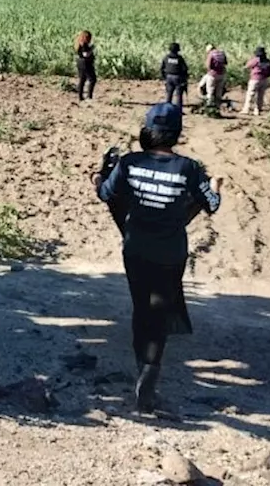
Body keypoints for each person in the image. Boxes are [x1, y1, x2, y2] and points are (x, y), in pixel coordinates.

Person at [93, 103, 222, 412]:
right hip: (170, 253)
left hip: (135, 249)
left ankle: (142, 372)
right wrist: (217, 186)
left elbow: (106, 195)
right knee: (159, 313)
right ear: (176, 134)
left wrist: (97, 178)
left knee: (141, 310)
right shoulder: (189, 168)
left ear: (147, 129)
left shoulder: (128, 163)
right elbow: (212, 204)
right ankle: (151, 376)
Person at [243, 46, 270, 116]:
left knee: (250, 94)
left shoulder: (256, 60)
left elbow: (247, 66)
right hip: (264, 80)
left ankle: (246, 109)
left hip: (255, 79)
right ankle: (257, 110)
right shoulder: (267, 61)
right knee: (260, 96)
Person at [197, 44, 228, 109]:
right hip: (222, 74)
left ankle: (209, 107)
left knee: (210, 91)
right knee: (219, 92)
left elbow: (208, 66)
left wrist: (210, 71)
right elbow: (225, 63)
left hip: (212, 75)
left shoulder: (211, 54)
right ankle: (217, 107)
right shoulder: (222, 53)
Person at [160, 42, 189, 109]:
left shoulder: (166, 57)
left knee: (169, 94)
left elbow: (162, 68)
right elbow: (185, 69)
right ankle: (178, 111)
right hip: (178, 77)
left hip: (168, 77)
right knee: (179, 95)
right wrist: (185, 79)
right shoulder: (179, 58)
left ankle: (167, 109)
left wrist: (164, 77)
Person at [74, 30, 96, 101]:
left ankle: (80, 97)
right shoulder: (84, 44)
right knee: (92, 79)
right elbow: (85, 54)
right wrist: (91, 49)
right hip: (86, 63)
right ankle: (89, 96)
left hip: (80, 62)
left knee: (82, 79)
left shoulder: (78, 43)